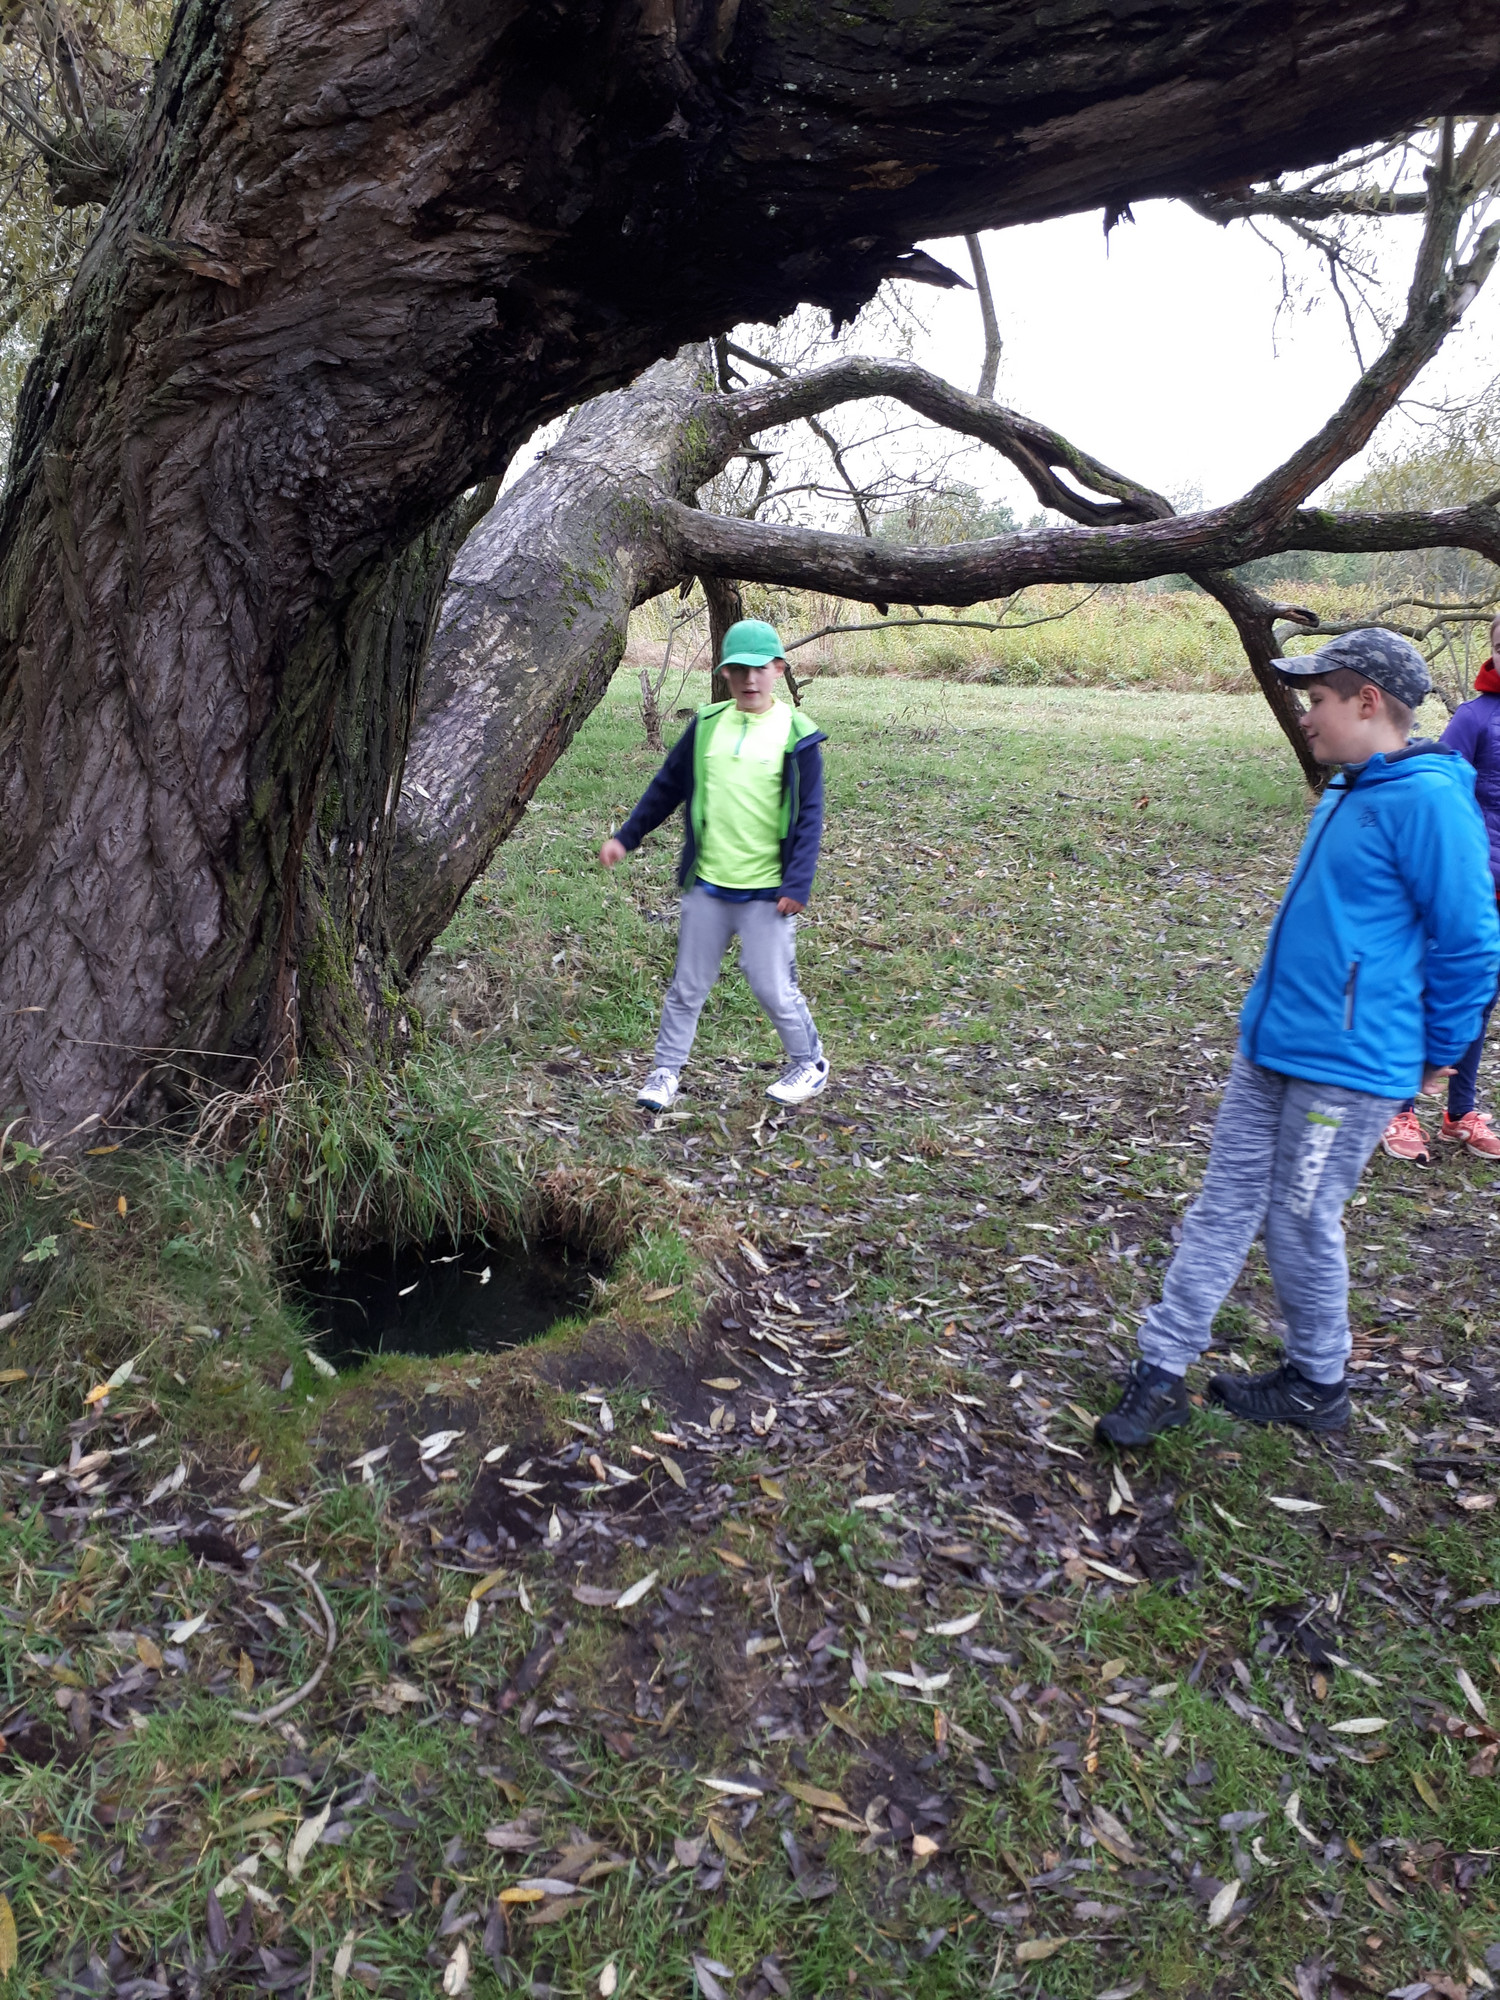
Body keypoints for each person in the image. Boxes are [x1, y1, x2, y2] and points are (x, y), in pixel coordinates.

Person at [1098, 629, 1500, 1447]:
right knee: (1223, 1205)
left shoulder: (1428, 801)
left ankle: (1319, 1382)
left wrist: (1439, 1052)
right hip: (1273, 1046)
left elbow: (1469, 939)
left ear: (1368, 702)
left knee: (1299, 1219)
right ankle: (1161, 1371)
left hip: (1347, 1069)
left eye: (1318, 700)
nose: (1306, 716)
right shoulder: (1349, 786)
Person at [599, 618, 829, 1111]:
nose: (750, 679)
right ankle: (664, 1072)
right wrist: (626, 837)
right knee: (688, 985)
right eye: (739, 670)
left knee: (772, 985)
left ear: (779, 669)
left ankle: (809, 1064)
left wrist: (798, 882)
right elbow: (667, 786)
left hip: (767, 891)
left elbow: (810, 816)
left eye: (761, 669)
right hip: (708, 884)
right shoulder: (706, 726)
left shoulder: (798, 735)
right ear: (724, 673)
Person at [1380, 611, 1500, 1166]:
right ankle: (1399, 1108)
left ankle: (1460, 1114)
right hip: (1472, 889)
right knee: (1430, 992)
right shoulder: (1474, 719)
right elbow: (1440, 795)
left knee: (1479, 1000)